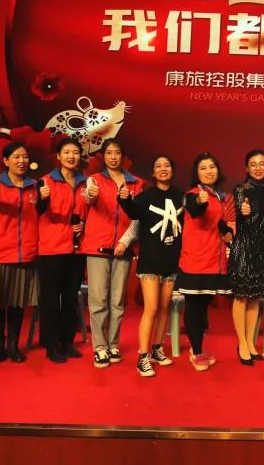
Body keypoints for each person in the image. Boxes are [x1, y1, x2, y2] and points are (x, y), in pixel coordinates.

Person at [0, 142, 40, 364]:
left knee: (17, 303)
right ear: (5, 161)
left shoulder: (35, 186)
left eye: (25, 156)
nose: (21, 161)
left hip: (24, 253)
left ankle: (13, 345)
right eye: (16, 157)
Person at [83, 138, 143, 371]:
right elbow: (88, 200)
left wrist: (125, 241)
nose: (113, 157)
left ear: (122, 156)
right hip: (97, 247)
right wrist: (90, 194)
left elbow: (137, 217)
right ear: (103, 156)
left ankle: (113, 344)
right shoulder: (94, 180)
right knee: (98, 300)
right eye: (109, 153)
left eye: (117, 152)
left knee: (117, 300)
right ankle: (100, 347)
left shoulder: (135, 182)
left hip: (123, 248)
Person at [120, 155, 180, 376]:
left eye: (167, 165)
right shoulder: (145, 198)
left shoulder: (180, 196)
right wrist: (124, 199)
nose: (163, 169)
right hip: (150, 262)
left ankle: (157, 349)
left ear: (172, 170)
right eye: (158, 166)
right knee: (152, 308)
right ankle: (143, 357)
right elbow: (132, 212)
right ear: (153, 173)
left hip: (171, 261)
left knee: (165, 308)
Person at [175, 153, 232, 371]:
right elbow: (193, 208)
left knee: (203, 306)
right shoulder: (191, 194)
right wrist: (199, 201)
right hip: (195, 260)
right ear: (196, 173)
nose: (209, 171)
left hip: (214, 260)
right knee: (194, 307)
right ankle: (197, 351)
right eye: (203, 168)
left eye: (212, 167)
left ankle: (197, 347)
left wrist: (226, 231)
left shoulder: (219, 196)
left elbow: (218, 222)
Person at [36, 138, 88, 364]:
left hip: (77, 250)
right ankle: (50, 345)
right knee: (50, 299)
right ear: (58, 156)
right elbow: (37, 210)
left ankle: (67, 342)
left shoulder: (86, 183)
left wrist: (83, 223)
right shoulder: (45, 181)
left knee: (70, 298)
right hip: (51, 249)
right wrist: (42, 199)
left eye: (75, 152)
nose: (71, 156)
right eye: (67, 152)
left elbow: (91, 212)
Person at [228, 149, 264, 366]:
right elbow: (241, 207)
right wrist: (243, 209)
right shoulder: (241, 189)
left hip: (261, 248)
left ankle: (249, 342)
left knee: (255, 296)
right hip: (244, 247)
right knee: (241, 296)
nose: (258, 168)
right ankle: (242, 343)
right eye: (253, 164)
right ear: (247, 168)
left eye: (262, 163)